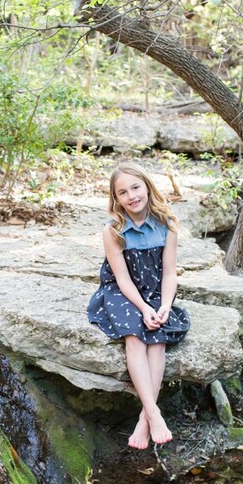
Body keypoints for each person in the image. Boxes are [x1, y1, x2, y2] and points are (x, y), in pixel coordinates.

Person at [87, 162, 190, 449]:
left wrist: (164, 306)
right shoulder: (113, 230)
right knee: (135, 336)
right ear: (116, 199)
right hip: (124, 292)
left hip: (156, 290)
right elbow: (121, 278)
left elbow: (169, 272)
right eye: (123, 192)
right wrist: (144, 308)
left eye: (135, 187)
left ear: (146, 186)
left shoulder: (167, 223)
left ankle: (143, 419)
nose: (131, 195)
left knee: (157, 340)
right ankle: (154, 414)